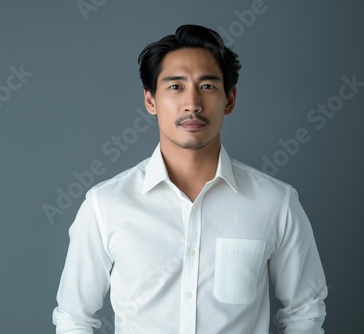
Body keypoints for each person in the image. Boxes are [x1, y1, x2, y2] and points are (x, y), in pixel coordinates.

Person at [52, 24, 327, 333]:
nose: (192, 104)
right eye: (175, 87)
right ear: (150, 100)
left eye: (207, 86)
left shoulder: (276, 203)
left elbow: (304, 312)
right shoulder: (106, 205)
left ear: (230, 99)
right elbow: (74, 317)